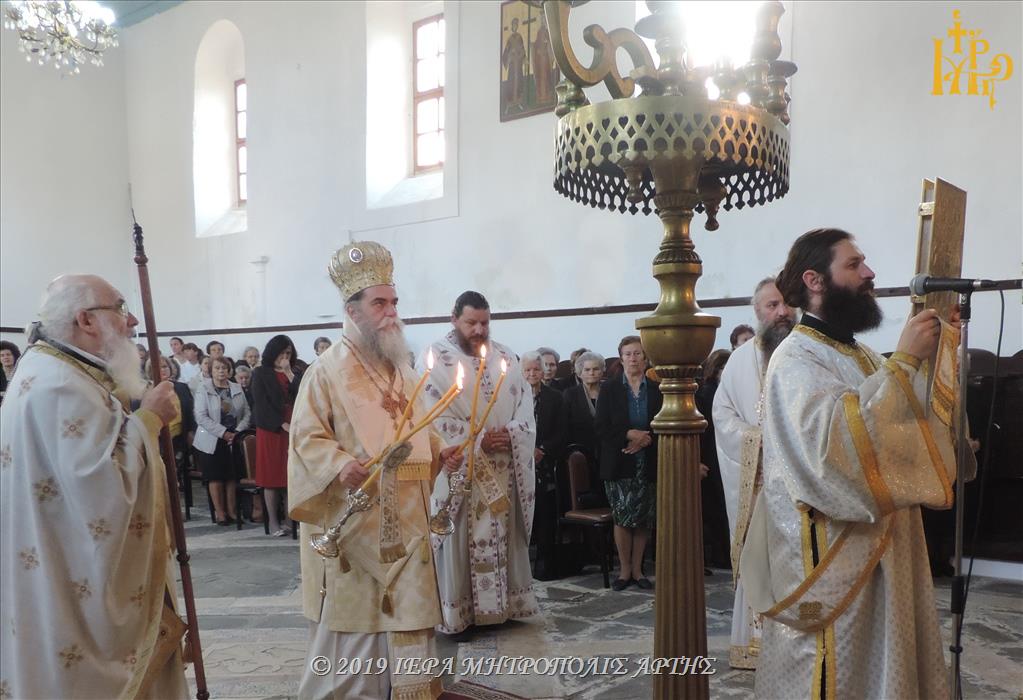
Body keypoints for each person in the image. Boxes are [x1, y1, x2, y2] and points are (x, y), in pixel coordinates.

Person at [739, 228, 971, 698]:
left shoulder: (861, 354)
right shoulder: (795, 358)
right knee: (841, 670)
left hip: (888, 548)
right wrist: (903, 362)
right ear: (815, 280)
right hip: (835, 556)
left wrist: (940, 349)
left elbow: (906, 425)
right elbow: (832, 450)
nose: (869, 273)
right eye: (854, 264)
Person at [0, 274, 188, 698]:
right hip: (71, 587)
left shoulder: (54, 371)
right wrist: (150, 419)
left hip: (55, 566)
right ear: (85, 320)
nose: (132, 320)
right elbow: (100, 490)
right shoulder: (60, 386)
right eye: (120, 308)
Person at [289, 241, 460, 699]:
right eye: (379, 303)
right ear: (353, 310)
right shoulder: (325, 372)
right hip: (355, 522)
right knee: (357, 627)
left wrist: (441, 451)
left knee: (408, 618)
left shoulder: (401, 368)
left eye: (394, 302)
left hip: (409, 524)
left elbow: (418, 429)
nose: (391, 313)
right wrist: (340, 464)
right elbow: (305, 438)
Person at [421, 290, 538, 635]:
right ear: (454, 318)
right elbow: (429, 418)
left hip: (503, 467)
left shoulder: (505, 356)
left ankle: (502, 609)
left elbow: (526, 409)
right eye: (471, 322)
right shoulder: (435, 359)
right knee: (458, 541)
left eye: (485, 323)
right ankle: (460, 614)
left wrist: (512, 433)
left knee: (503, 537)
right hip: (462, 472)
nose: (479, 330)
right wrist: (476, 440)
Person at [713, 276, 795, 669]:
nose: (782, 311)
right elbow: (722, 413)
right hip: (759, 481)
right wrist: (754, 440)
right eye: (772, 305)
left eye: (786, 303)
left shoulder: (809, 351)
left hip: (801, 488)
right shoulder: (740, 360)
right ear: (757, 311)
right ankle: (755, 646)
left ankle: (798, 650)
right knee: (757, 560)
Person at [595, 335, 663, 591]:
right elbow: (601, 426)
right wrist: (629, 434)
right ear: (621, 358)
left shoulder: (656, 389)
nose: (633, 358)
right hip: (619, 460)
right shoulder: (610, 389)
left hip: (648, 460)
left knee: (643, 518)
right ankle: (624, 571)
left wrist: (645, 439)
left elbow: (662, 422)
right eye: (628, 354)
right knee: (623, 517)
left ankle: (638, 569)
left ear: (645, 358)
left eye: (637, 353)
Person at [252, 335, 302, 536]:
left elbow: (303, 394)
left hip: (293, 427)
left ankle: (291, 521)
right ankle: (273, 522)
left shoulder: (296, 373)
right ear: (272, 352)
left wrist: (289, 373)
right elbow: (260, 404)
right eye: (281, 353)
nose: (284, 357)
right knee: (272, 478)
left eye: (288, 353)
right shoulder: (260, 373)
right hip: (271, 429)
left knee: (290, 476)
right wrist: (281, 424)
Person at [521, 350, 564, 580]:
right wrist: (526, 449)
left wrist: (542, 449)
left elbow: (562, 430)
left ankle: (544, 564)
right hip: (520, 461)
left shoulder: (555, 397)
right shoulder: (515, 396)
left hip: (545, 463)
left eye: (536, 369)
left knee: (545, 513)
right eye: (527, 370)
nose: (532, 374)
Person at [194, 356, 251, 525]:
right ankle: (220, 513)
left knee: (231, 476)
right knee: (215, 477)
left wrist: (237, 432)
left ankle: (232, 512)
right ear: (211, 370)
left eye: (224, 368)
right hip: (211, 438)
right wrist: (223, 433)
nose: (221, 371)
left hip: (234, 438)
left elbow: (247, 412)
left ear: (229, 370)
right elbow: (201, 416)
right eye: (217, 368)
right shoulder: (203, 388)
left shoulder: (236, 387)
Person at [696, 348, 731, 575]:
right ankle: (720, 554)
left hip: (724, 454)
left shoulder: (728, 390)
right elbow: (705, 430)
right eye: (723, 368)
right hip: (710, 456)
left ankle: (726, 552)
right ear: (716, 370)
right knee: (715, 508)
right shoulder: (707, 392)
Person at [146, 355, 196, 492]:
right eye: (158, 367)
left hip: (179, 436)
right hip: (157, 437)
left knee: (177, 469)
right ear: (150, 370)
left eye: (165, 366)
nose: (162, 370)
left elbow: (190, 411)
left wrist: (191, 431)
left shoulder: (181, 387)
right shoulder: (146, 389)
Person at [0, 339, 22, 404]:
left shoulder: (21, 373)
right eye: (2, 355)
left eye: (8, 354)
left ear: (14, 356)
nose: (6, 357)